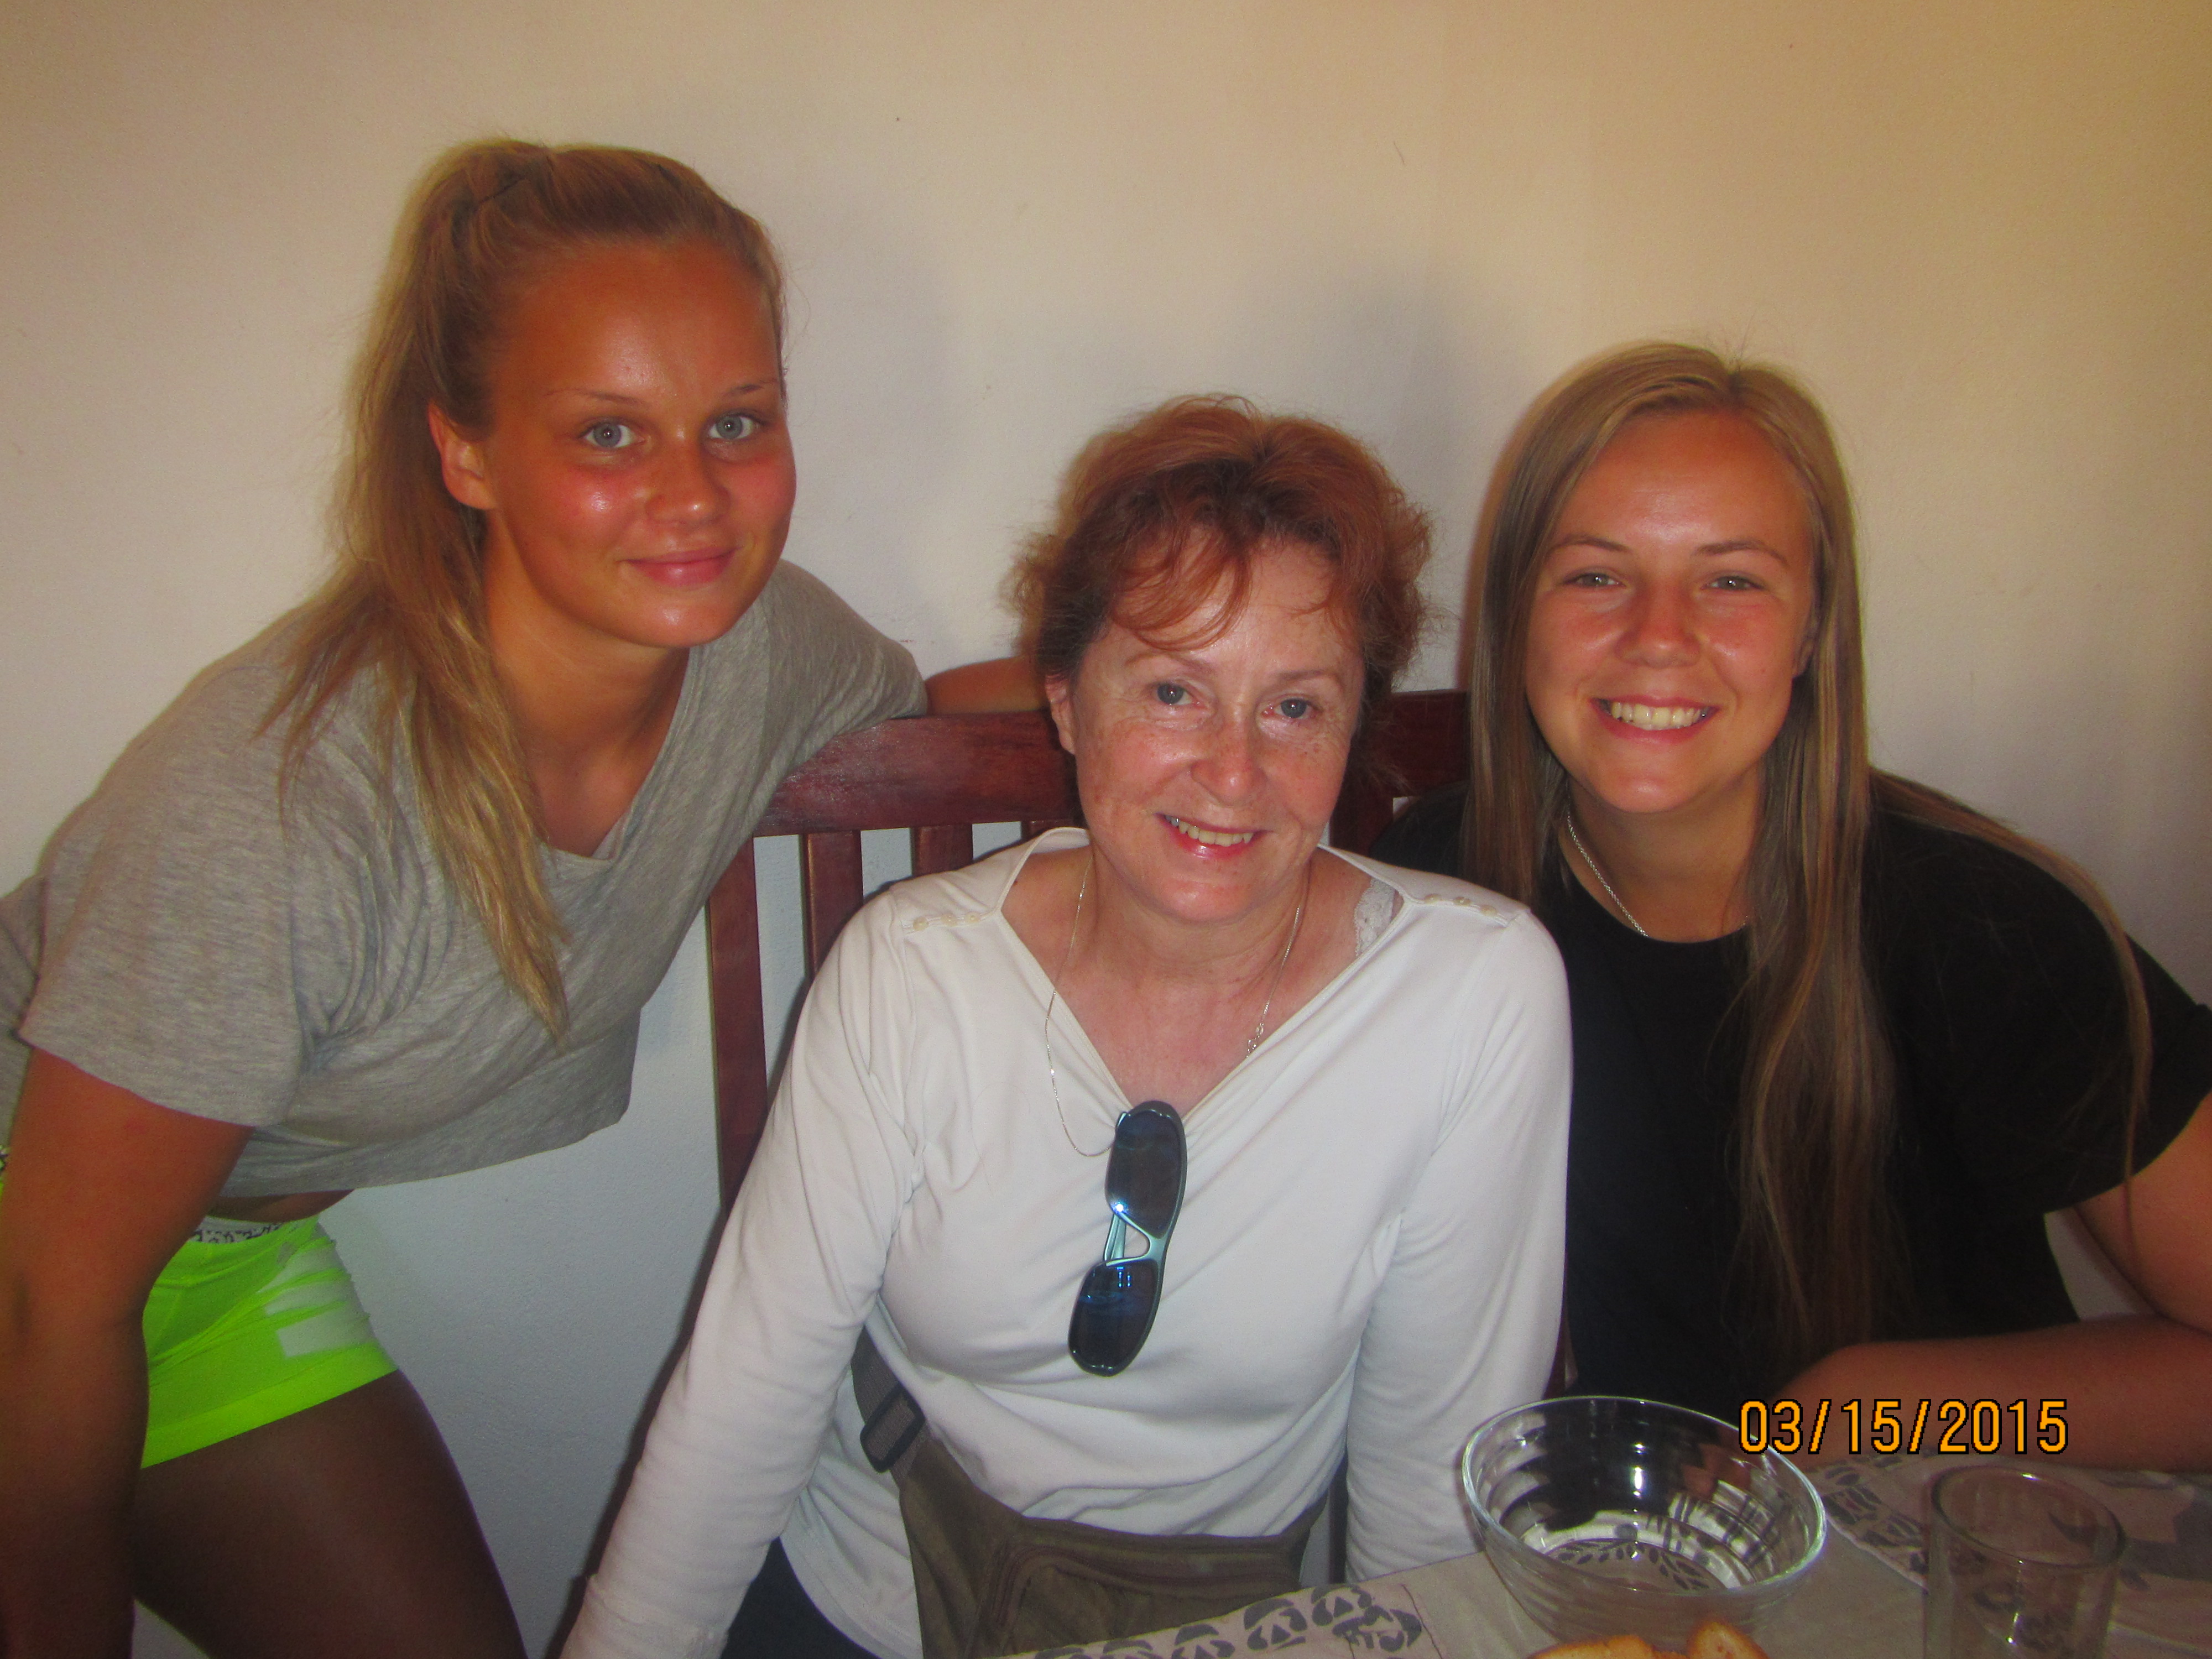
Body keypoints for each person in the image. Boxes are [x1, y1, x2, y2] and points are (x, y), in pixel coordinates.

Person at [0, 141, 925, 1658]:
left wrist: (1179, 710)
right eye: (610, 432)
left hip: (218, 1267)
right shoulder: (282, 802)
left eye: (736, 421)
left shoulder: (764, 649)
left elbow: (942, 728)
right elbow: (53, 1302)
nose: (693, 494)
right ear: (467, 453)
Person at [562, 397, 1571, 1659]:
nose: (1233, 771)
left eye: (1295, 708)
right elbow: (743, 1399)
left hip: (1209, 1629)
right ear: (1065, 703)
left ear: (1354, 722)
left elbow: (1430, 1506)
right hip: (867, 1604)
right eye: (1172, 691)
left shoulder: (1469, 999)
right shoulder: (915, 971)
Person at [1374, 342, 2212, 1467]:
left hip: (1928, 1535)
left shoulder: (1986, 934)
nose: (1658, 635)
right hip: (1606, 1535)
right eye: (1594, 576)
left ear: (1814, 629)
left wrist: (1848, 1414)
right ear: (1514, 611)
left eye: (1730, 580)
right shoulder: (1437, 883)